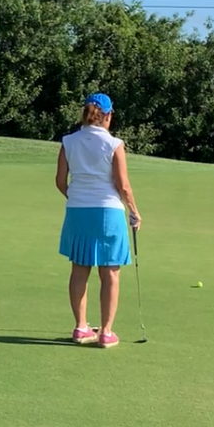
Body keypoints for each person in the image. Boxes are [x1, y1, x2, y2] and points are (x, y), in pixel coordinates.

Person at [55, 93, 141, 347]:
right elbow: (123, 185)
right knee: (110, 272)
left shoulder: (69, 141)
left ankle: (81, 328)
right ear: (107, 115)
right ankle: (105, 332)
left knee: (79, 269)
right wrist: (135, 211)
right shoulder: (114, 144)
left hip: (77, 211)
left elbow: (61, 182)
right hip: (108, 212)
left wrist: (78, 197)